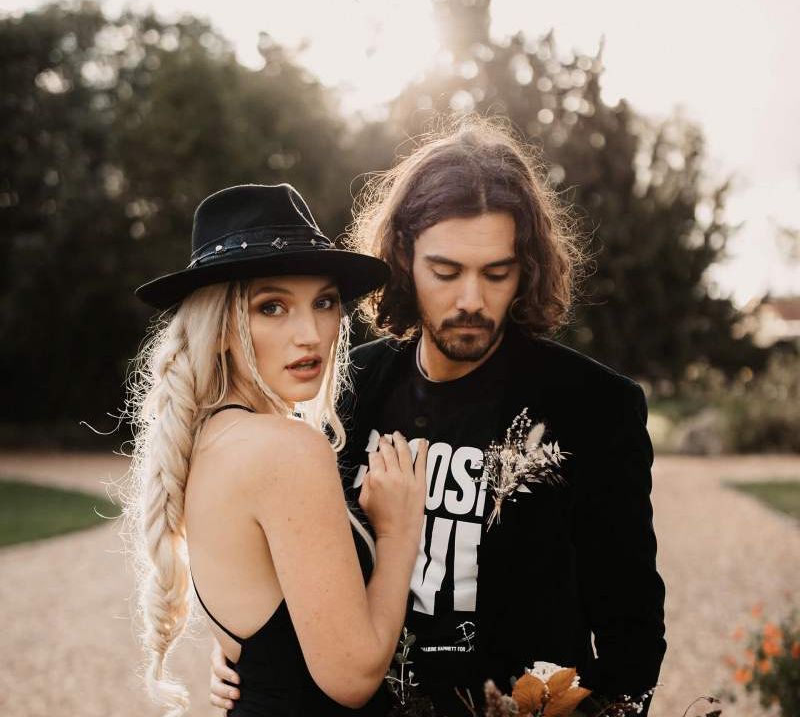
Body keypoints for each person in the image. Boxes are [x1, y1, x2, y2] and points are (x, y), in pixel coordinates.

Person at [211, 118, 667, 716]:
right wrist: (250, 654)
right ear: (404, 256)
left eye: (496, 273)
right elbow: (298, 567)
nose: (472, 300)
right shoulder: (347, 389)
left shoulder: (592, 406)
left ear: (525, 266)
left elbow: (631, 629)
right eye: (446, 272)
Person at [125, 182, 429, 717]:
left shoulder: (209, 439)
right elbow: (352, 677)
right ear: (220, 327)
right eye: (272, 307)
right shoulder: (287, 448)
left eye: (325, 302)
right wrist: (398, 533)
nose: (311, 333)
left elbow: (264, 626)